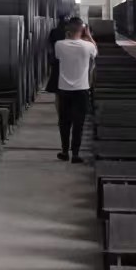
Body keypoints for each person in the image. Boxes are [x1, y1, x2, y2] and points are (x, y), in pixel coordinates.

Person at [52, 18, 97, 162]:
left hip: (64, 89)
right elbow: (95, 52)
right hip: (81, 90)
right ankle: (76, 154)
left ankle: (64, 152)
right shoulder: (88, 46)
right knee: (79, 123)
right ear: (82, 30)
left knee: (64, 122)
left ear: (68, 30)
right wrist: (88, 36)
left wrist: (68, 36)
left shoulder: (59, 44)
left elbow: (58, 56)